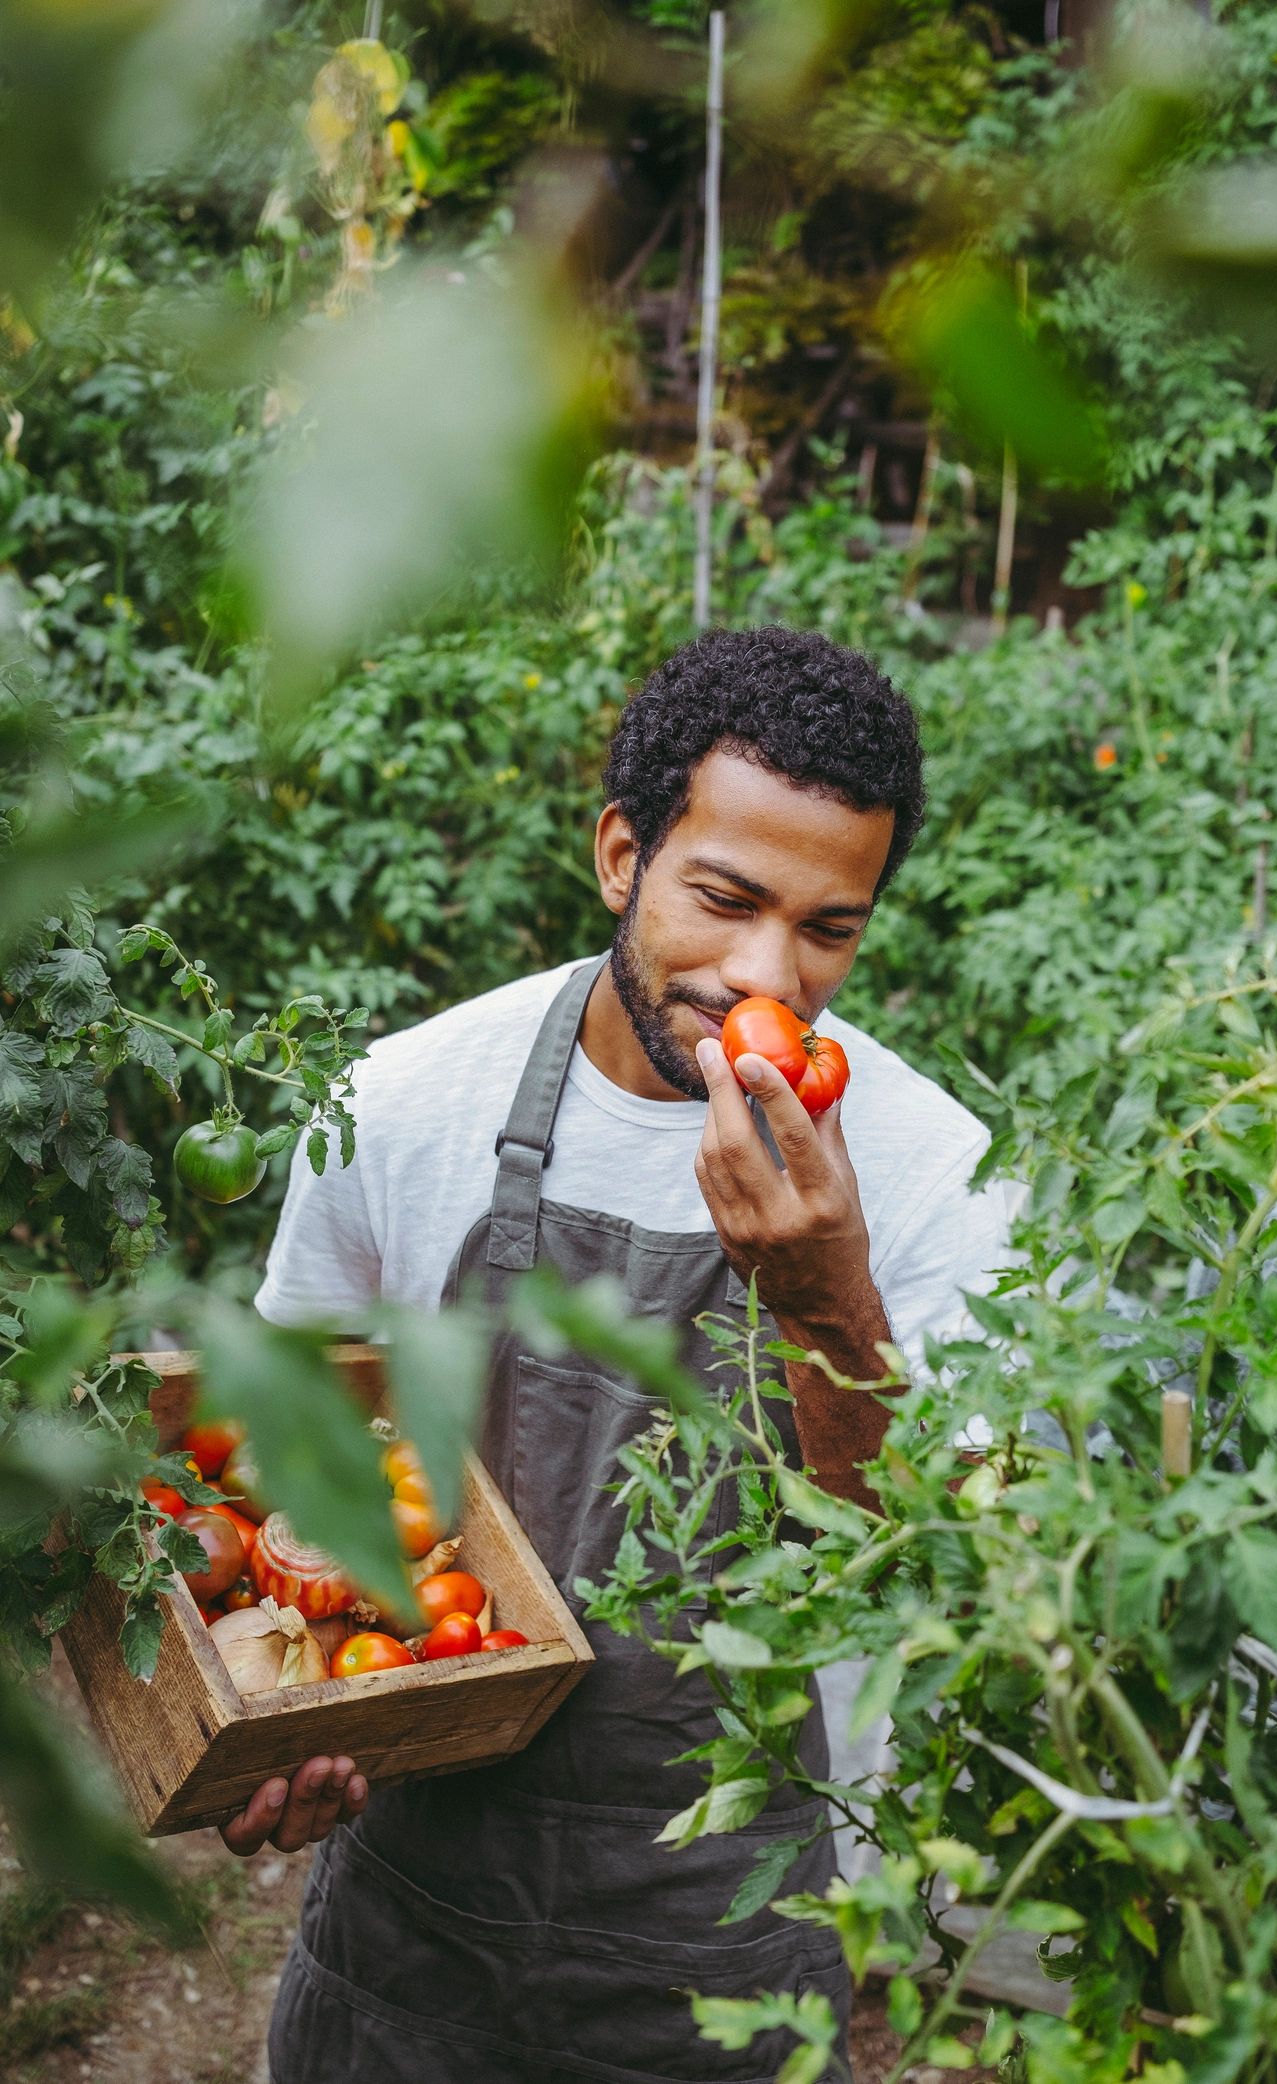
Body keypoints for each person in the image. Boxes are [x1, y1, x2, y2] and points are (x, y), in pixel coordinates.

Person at [227, 624, 1013, 2084]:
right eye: (724, 898)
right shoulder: (401, 1107)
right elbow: (299, 1458)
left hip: (730, 1944)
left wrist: (824, 1297)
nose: (764, 973)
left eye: (829, 928)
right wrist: (301, 1706)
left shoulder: (930, 1177)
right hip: (410, 1920)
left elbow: (955, 1597)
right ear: (618, 856)